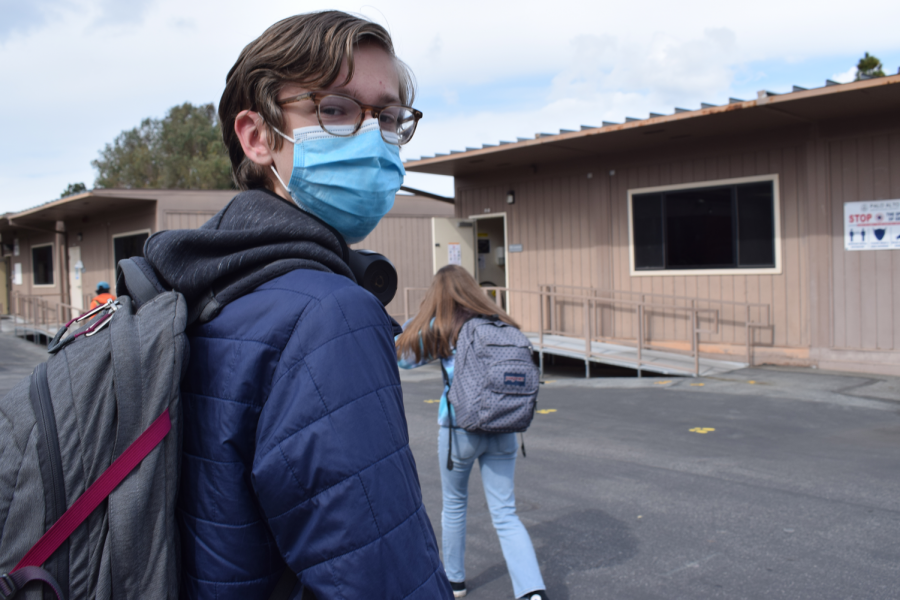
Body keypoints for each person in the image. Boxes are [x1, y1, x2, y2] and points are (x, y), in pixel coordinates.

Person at [142, 12, 452, 599]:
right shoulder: (329, 314)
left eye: (388, 118)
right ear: (258, 136)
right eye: (334, 110)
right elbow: (381, 579)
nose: (373, 138)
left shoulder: (194, 285)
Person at [396, 265, 549, 600]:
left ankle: (455, 582)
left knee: (454, 505)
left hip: (459, 431)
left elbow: (402, 355)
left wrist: (420, 318)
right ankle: (532, 592)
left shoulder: (444, 328)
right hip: (505, 427)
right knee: (506, 513)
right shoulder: (501, 324)